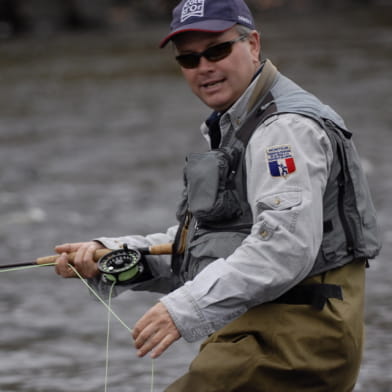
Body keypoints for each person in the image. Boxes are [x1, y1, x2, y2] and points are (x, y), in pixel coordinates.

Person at [55, 0, 382, 391]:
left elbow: (284, 247)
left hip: (301, 339)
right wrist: (114, 255)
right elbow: (206, 248)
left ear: (254, 45)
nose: (204, 67)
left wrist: (181, 310)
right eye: (189, 59)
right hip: (263, 332)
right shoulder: (238, 124)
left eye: (217, 50)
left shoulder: (285, 131)